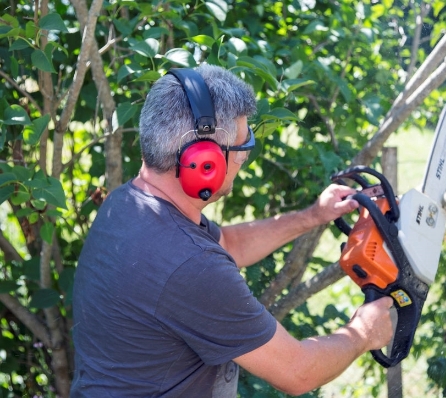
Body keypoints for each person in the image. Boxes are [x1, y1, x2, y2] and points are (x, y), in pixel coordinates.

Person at [70, 64, 393, 397]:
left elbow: (231, 244)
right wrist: (362, 332)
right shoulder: (190, 266)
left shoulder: (127, 203)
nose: (242, 161)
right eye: (243, 149)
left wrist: (313, 216)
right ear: (205, 164)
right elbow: (298, 372)